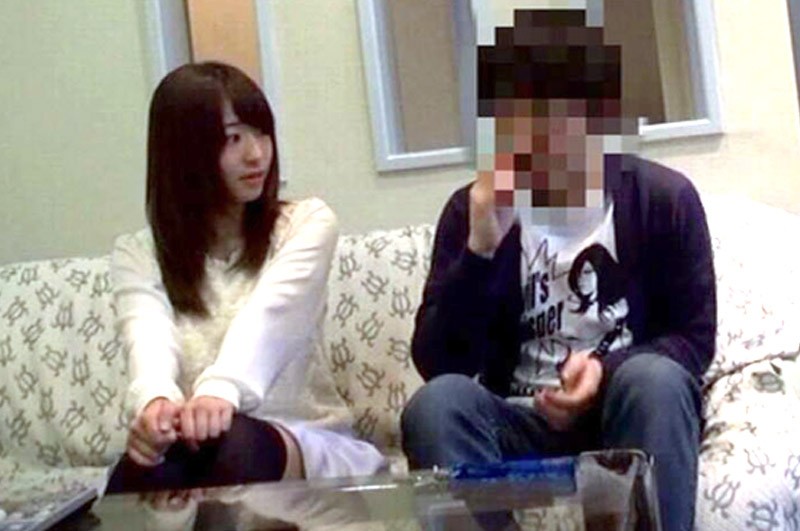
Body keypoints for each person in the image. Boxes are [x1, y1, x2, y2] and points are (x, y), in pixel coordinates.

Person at [401, 9, 715, 530]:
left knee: (656, 379)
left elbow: (694, 339)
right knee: (437, 404)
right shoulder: (474, 210)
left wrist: (604, 371)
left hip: (626, 413)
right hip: (518, 421)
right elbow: (438, 364)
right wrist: (480, 250)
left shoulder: (663, 199)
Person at [107, 62, 386, 492]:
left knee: (233, 443)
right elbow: (146, 335)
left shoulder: (306, 224)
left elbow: (270, 319)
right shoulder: (138, 253)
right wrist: (156, 401)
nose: (256, 154)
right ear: (183, 151)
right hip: (194, 444)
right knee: (140, 471)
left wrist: (220, 390)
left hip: (304, 442)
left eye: (262, 133)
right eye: (233, 139)